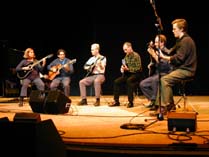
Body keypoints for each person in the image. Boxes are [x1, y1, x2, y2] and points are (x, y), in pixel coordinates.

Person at [153, 18, 197, 115]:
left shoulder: (186, 41)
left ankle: (167, 105)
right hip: (181, 69)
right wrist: (161, 49)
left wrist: (164, 57)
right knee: (162, 78)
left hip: (187, 70)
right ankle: (160, 106)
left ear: (181, 29)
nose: (172, 31)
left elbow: (179, 58)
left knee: (165, 80)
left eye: (174, 29)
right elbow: (171, 51)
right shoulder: (180, 41)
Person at [140, 34, 173, 110]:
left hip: (166, 73)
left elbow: (165, 65)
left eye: (157, 42)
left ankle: (158, 104)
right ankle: (154, 101)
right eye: (155, 42)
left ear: (162, 43)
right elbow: (157, 63)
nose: (155, 44)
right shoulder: (157, 51)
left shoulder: (167, 51)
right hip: (158, 74)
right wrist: (151, 63)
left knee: (155, 80)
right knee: (143, 84)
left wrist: (154, 55)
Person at [109, 42, 142, 108]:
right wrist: (123, 68)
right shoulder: (126, 56)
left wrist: (128, 69)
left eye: (126, 49)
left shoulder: (136, 55)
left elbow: (138, 68)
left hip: (136, 74)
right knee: (116, 81)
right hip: (128, 74)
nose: (125, 51)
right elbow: (125, 65)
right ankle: (116, 101)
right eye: (124, 50)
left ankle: (130, 102)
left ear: (130, 47)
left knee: (129, 81)